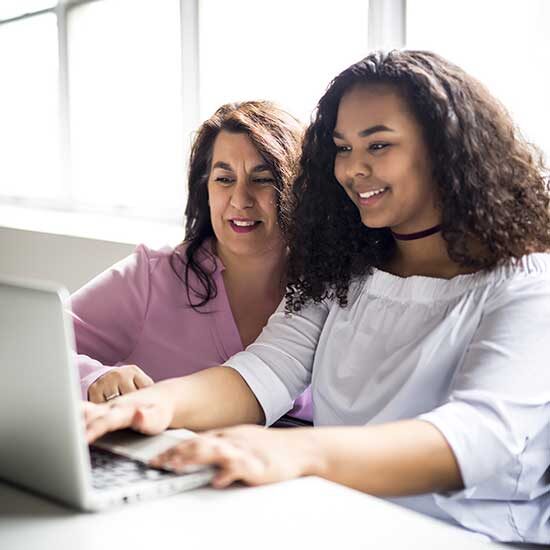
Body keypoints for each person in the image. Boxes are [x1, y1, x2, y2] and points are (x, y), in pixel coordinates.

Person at [84, 51, 550, 543]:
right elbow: (262, 371)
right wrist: (148, 407)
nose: (353, 170)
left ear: (447, 150)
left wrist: (299, 452)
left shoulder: (527, 282)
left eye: (378, 145)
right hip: (339, 516)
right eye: (343, 149)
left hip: (472, 534)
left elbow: (480, 436)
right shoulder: (346, 267)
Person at [72, 100, 311, 422]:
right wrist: (92, 377)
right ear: (205, 189)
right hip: (168, 464)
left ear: (300, 187)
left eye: (263, 179)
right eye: (224, 179)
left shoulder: (332, 292)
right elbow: (25, 345)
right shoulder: (151, 277)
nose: (240, 199)